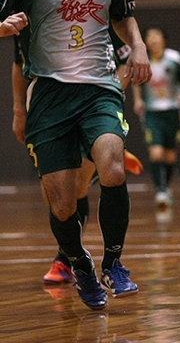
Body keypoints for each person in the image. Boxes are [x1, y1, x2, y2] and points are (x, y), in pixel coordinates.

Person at [0, 0, 151, 310]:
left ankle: (115, 263)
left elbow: (123, 17)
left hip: (99, 88)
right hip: (47, 95)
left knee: (113, 168)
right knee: (64, 204)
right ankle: (79, 264)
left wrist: (136, 45)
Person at [12, 32, 144, 287]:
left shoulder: (91, 5)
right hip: (48, 108)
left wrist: (109, 93)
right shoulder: (24, 10)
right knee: (57, 199)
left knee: (79, 185)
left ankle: (70, 261)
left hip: (92, 102)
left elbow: (126, 58)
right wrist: (18, 110)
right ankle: (74, 258)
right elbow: (19, 64)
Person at [132, 26, 180, 209]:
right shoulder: (142, 61)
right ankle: (160, 190)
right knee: (156, 152)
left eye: (157, 36)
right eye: (149, 37)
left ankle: (166, 187)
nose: (153, 40)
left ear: (164, 39)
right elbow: (136, 81)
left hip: (172, 111)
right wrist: (137, 100)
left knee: (169, 156)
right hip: (152, 113)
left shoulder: (175, 59)